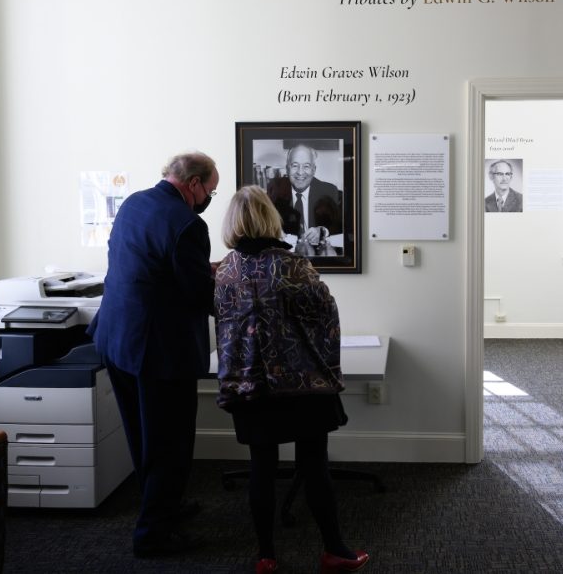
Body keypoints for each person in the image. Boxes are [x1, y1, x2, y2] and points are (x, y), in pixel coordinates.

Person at [214, 186, 370, 574]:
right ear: (271, 218)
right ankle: (335, 550)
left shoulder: (224, 272)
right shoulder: (293, 266)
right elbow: (325, 315)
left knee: (261, 468)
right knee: (314, 464)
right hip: (302, 385)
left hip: (250, 386)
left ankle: (266, 556)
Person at [88, 151, 219, 558]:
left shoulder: (134, 203)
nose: (210, 197)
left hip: (117, 339)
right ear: (194, 184)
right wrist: (228, 283)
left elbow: (150, 265)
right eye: (211, 189)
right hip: (159, 351)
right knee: (169, 443)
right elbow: (199, 295)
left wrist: (200, 268)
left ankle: (162, 507)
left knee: (144, 438)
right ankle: (153, 535)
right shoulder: (187, 224)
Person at [266, 144, 343, 255]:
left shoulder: (329, 190)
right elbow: (264, 225)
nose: (300, 172)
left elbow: (341, 225)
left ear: (313, 169)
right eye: (295, 166)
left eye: (306, 166)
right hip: (285, 257)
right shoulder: (275, 191)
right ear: (287, 168)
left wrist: (323, 231)